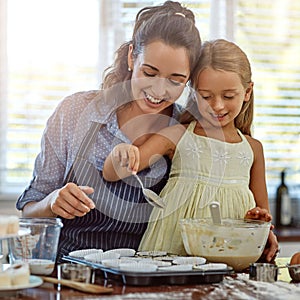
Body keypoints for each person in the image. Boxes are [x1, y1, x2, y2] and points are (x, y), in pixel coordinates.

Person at [16, 1, 202, 263]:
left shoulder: (186, 129)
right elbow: (29, 213)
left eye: (175, 80)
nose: (159, 91)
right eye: (149, 72)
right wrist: (52, 202)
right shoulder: (75, 112)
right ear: (130, 57)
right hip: (69, 272)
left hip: (144, 277)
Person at [103, 39, 278, 262]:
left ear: (247, 91)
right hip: (171, 251)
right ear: (193, 92)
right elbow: (112, 173)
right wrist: (121, 152)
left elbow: (263, 216)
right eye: (206, 96)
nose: (217, 106)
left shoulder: (253, 149)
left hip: (231, 254)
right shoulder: (177, 135)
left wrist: (259, 219)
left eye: (228, 96)